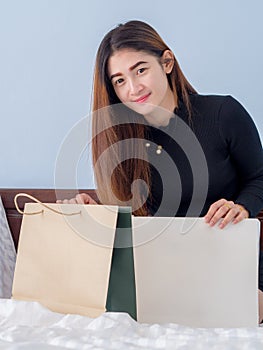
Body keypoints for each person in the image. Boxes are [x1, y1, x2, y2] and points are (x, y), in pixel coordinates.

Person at [57, 20, 263, 321]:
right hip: (167, 273)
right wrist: (99, 212)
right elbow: (136, 223)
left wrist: (242, 206)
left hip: (234, 264)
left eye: (140, 70)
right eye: (119, 80)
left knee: (232, 317)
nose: (133, 88)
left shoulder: (224, 114)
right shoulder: (124, 144)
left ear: (166, 62)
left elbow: (259, 177)